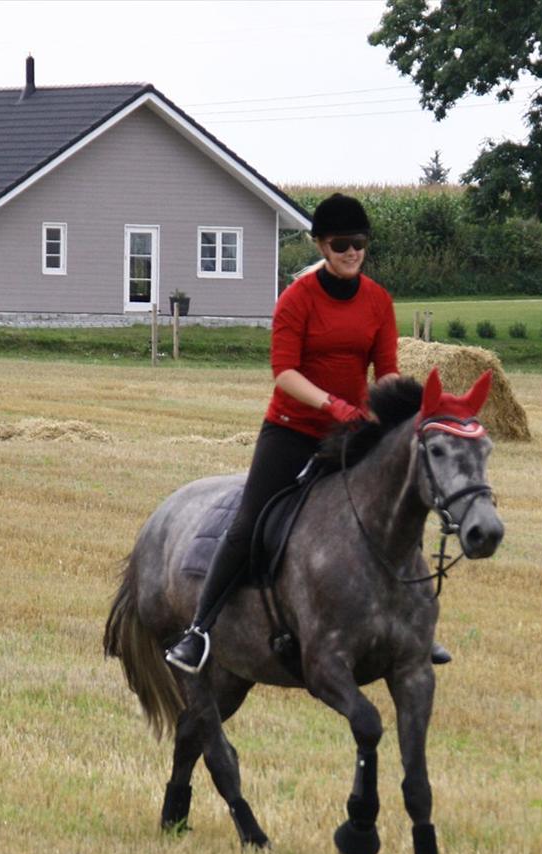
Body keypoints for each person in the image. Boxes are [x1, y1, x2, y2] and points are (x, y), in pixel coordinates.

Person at [166, 192, 449, 674]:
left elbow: (386, 371)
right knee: (249, 522)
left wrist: (403, 408)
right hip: (293, 428)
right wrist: (331, 403)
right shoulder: (296, 299)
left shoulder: (378, 301)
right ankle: (199, 631)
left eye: (359, 243)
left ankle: (415, 626)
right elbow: (284, 373)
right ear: (320, 245)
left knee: (399, 505)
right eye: (342, 244)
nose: (352, 252)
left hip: (354, 431)